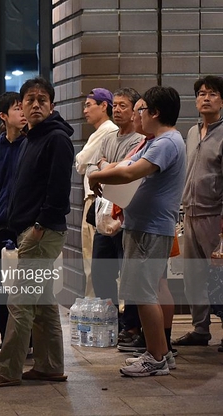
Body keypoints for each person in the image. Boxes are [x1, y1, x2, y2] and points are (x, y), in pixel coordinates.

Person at [0, 77, 73, 388]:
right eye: (30, 100)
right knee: (41, 303)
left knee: (19, 302)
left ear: (52, 106)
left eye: (42, 100)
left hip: (40, 232)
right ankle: (50, 366)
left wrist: (39, 226)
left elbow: (57, 191)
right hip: (29, 231)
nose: (36, 105)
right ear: (22, 106)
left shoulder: (56, 139)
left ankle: (8, 369)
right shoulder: (33, 138)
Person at [89, 86, 186, 377]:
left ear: (154, 113)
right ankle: (160, 353)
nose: (136, 115)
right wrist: (104, 171)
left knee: (144, 294)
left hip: (151, 228)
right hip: (142, 226)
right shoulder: (154, 140)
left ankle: (156, 358)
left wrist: (96, 174)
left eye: (140, 109)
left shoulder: (167, 142)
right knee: (147, 291)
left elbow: (131, 172)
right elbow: (123, 164)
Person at [85, 88, 144, 344]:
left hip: (127, 217)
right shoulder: (110, 138)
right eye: (116, 105)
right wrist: (105, 167)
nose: (118, 110)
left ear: (134, 111)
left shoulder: (139, 139)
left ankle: (131, 325)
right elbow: (97, 165)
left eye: (123, 106)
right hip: (104, 216)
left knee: (128, 274)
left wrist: (104, 167)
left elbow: (123, 170)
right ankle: (111, 318)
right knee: (101, 271)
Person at [174, 75, 223, 350]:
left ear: (222, 101)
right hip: (191, 214)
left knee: (220, 276)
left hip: (215, 215)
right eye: (202, 93)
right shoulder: (192, 133)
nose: (206, 98)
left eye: (213, 94)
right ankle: (200, 329)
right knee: (193, 276)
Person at [0, 91, 28, 358]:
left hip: (26, 225)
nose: (23, 112)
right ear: (3, 116)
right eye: (17, 109)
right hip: (2, 225)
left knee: (25, 286)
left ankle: (27, 341)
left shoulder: (31, 144)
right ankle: (6, 340)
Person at [75, 88, 118, 297]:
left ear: (104, 106)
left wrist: (91, 164)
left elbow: (81, 162)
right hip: (94, 199)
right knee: (91, 258)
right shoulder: (98, 132)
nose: (85, 110)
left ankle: (99, 308)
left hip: (100, 201)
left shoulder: (108, 130)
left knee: (95, 259)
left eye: (89, 105)